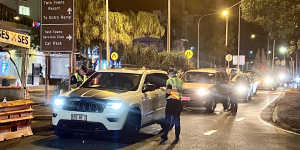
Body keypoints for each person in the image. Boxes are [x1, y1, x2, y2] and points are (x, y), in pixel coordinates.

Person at [160, 68, 184, 144]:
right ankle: (177, 137)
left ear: (171, 74)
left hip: (171, 102)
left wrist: (164, 90)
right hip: (178, 103)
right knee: (177, 120)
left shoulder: (169, 81)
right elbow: (180, 92)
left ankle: (165, 135)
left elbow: (169, 92)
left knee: (168, 119)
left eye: (168, 73)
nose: (168, 75)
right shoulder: (180, 81)